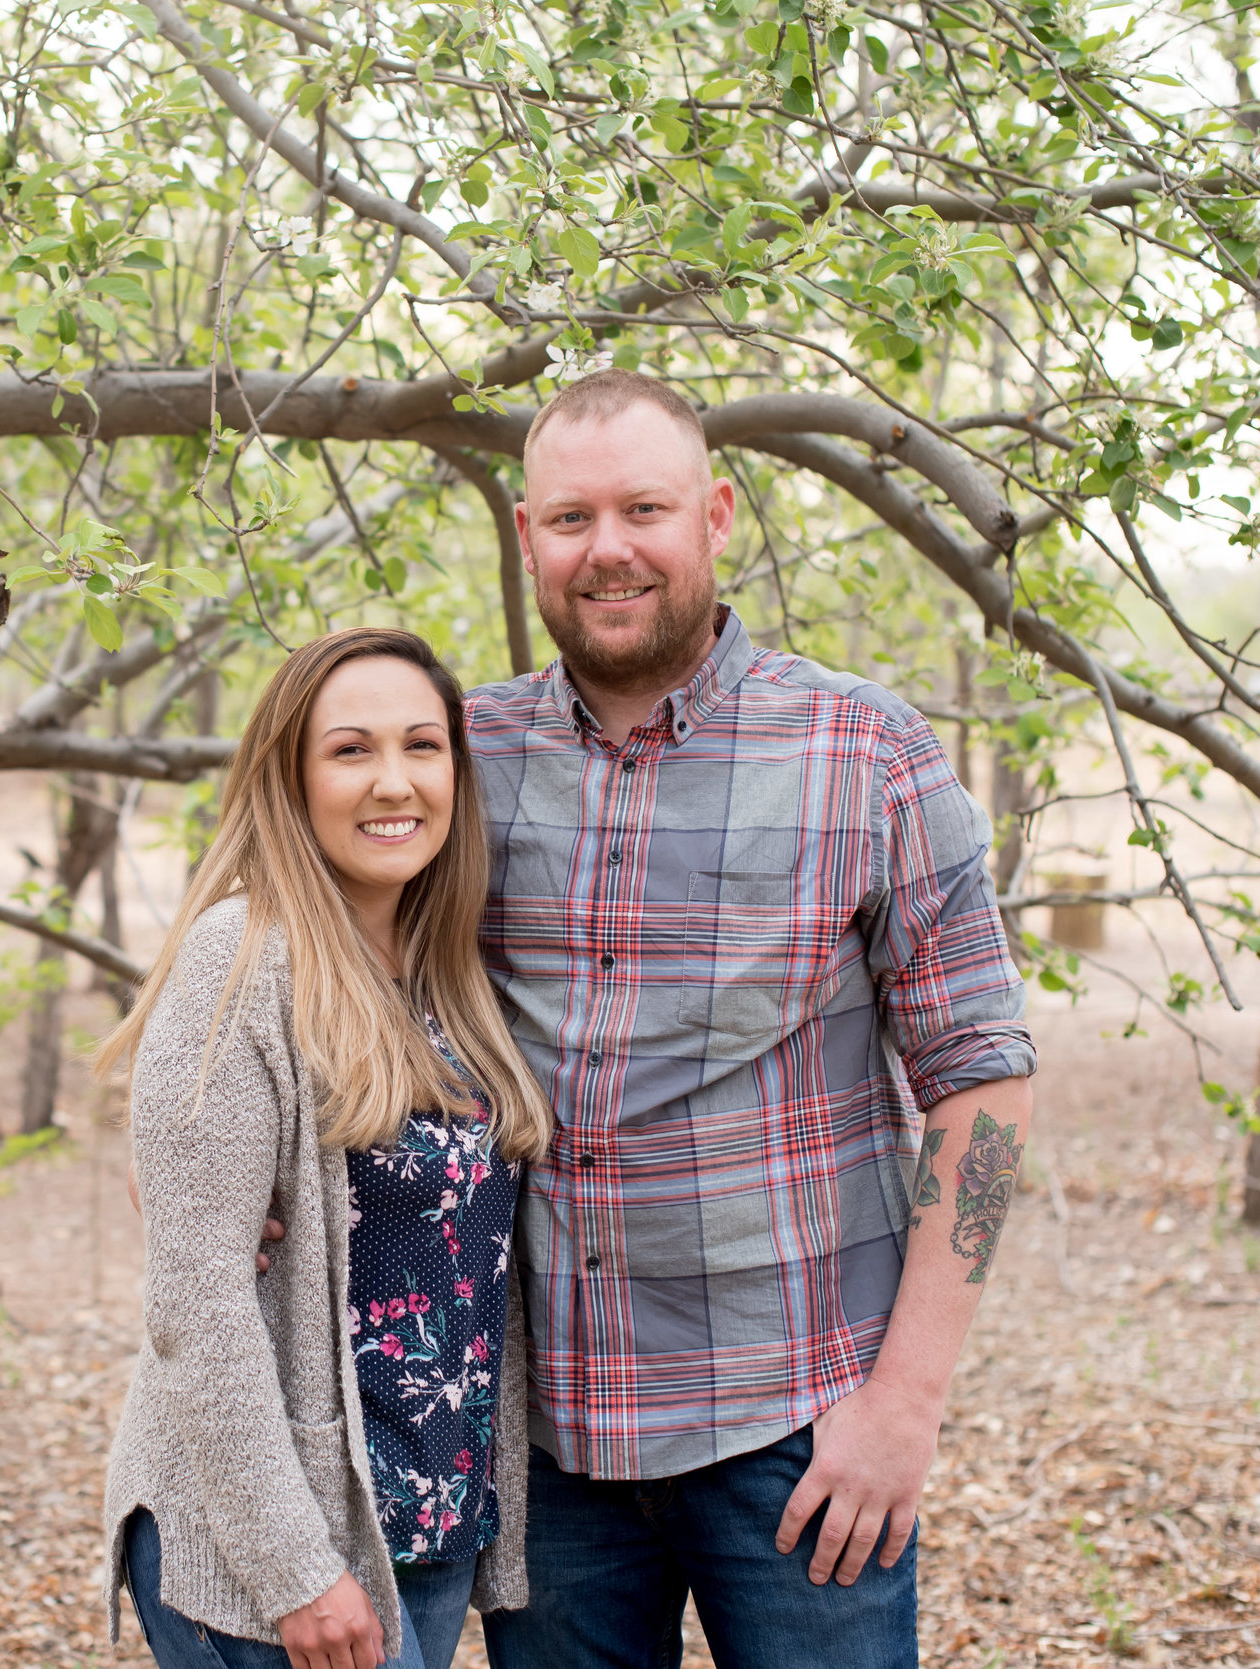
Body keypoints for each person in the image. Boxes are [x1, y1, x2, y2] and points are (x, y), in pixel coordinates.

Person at [467, 368, 1038, 1668]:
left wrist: (908, 1403)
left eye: (644, 509)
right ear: (526, 537)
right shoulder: (457, 759)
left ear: (716, 515)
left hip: (800, 1432)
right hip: (543, 1441)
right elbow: (345, 1012)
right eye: (570, 519)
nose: (607, 548)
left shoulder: (867, 753)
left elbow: (984, 1086)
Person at [100, 627, 555, 1669]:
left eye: (422, 747)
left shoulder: (440, 969)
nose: (393, 781)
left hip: (424, 1529)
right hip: (281, 1545)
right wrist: (293, 1565)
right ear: (291, 777)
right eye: (350, 750)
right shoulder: (242, 959)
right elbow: (196, 1299)